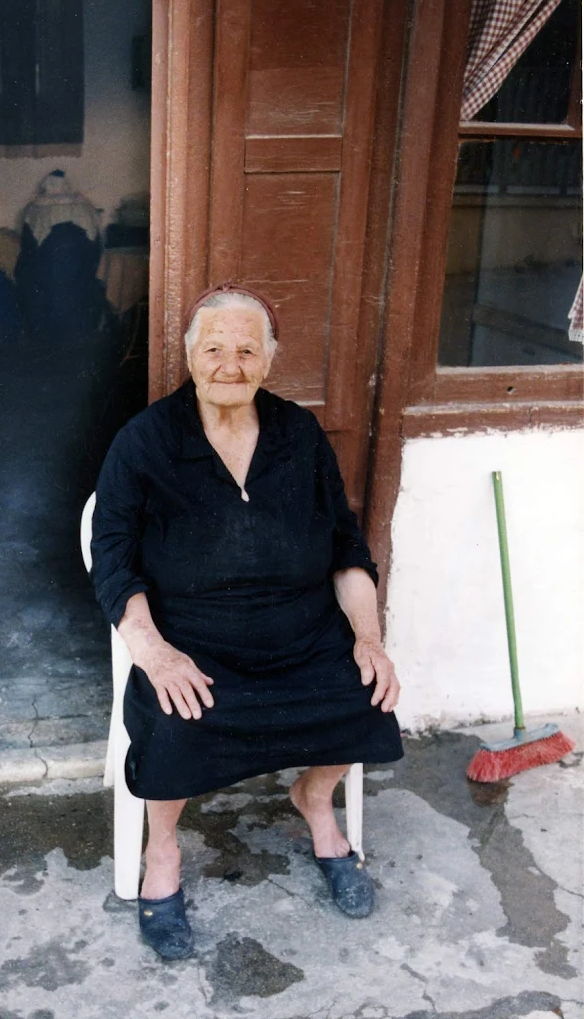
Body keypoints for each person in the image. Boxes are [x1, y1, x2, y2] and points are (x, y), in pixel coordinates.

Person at [90, 283, 402, 960]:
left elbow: (345, 546)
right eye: (213, 349)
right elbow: (112, 560)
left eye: (245, 351)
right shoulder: (144, 442)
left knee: (365, 693)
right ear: (187, 355)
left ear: (269, 359)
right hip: (192, 637)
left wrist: (369, 638)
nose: (228, 366)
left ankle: (315, 800)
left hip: (301, 632)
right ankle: (162, 851)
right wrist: (153, 651)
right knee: (174, 717)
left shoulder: (298, 434)